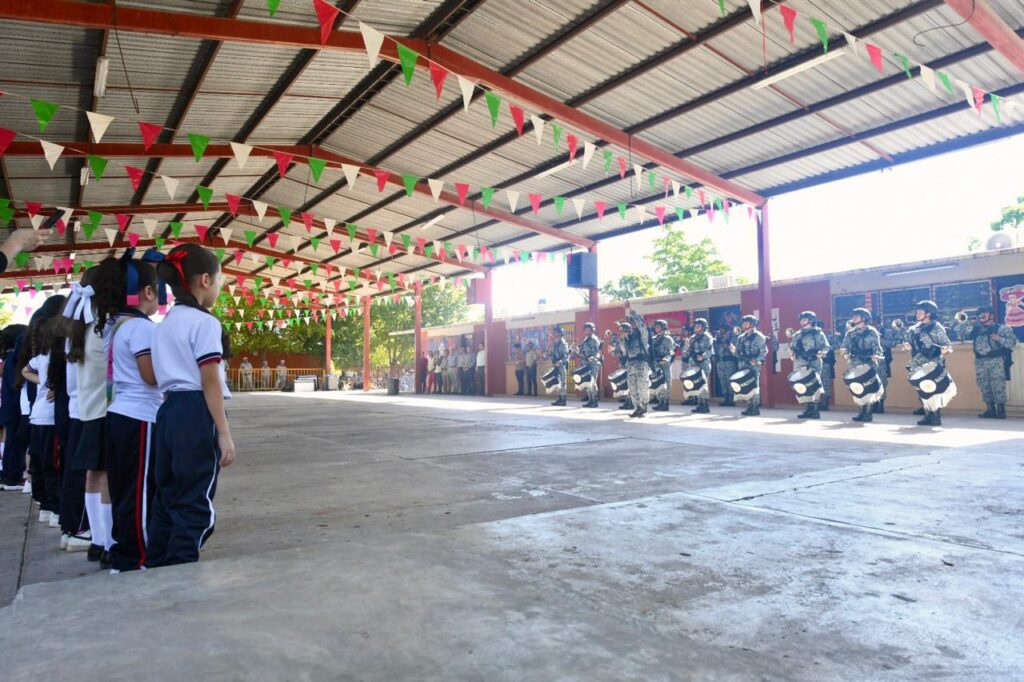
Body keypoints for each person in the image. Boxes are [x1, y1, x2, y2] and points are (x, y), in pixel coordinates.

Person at [148, 244, 235, 567]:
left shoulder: (165, 324)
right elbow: (209, 379)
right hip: (195, 411)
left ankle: (156, 566)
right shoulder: (205, 323)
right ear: (204, 281)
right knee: (195, 500)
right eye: (220, 279)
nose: (221, 286)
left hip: (168, 412)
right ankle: (180, 569)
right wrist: (223, 432)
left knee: (167, 496)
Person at [89, 251, 164, 573]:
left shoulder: (115, 325)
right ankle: (137, 558)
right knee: (139, 492)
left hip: (120, 413)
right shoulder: (142, 329)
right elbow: (151, 376)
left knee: (124, 488)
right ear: (148, 292)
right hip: (140, 417)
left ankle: (124, 551)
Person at [21, 299, 67, 525]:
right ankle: (55, 509)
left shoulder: (40, 358)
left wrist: (42, 382)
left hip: (36, 416)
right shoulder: (58, 356)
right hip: (50, 418)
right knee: (53, 465)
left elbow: (24, 371)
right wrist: (51, 384)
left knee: (40, 464)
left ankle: (45, 505)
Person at [955, 306, 1017, 419]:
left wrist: (999, 339)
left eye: (984, 313)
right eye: (980, 314)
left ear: (991, 315)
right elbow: (958, 331)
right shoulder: (976, 329)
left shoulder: (1001, 328)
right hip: (980, 361)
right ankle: (990, 410)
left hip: (996, 361)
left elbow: (1012, 343)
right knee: (984, 385)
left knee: (997, 385)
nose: (981, 315)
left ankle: (1001, 411)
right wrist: (967, 321)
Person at [903, 300, 953, 426]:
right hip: (917, 365)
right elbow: (907, 344)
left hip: (933, 365)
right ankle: (927, 415)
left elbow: (946, 345)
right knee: (922, 392)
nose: (917, 313)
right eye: (917, 311)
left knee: (934, 391)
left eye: (920, 311)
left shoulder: (937, 328)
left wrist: (945, 350)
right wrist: (906, 346)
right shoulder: (913, 329)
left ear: (929, 313)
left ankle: (935, 417)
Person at [841, 308, 885, 423]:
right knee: (858, 388)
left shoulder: (872, 332)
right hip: (855, 362)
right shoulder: (851, 333)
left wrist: (876, 356)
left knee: (868, 388)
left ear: (864, 318)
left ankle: (868, 413)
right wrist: (845, 352)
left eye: (857, 316)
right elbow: (845, 346)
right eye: (854, 316)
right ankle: (861, 411)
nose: (854, 318)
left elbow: (877, 348)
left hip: (869, 363)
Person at [0, 324, 28, 491]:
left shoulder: (8, 360)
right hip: (13, 407)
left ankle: (9, 475)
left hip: (9, 406)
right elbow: (14, 385)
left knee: (11, 440)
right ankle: (13, 476)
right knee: (14, 441)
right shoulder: (13, 360)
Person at [789, 311, 829, 420]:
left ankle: (815, 410)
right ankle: (808, 409)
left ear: (811, 320)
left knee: (813, 385)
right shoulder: (797, 334)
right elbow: (792, 347)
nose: (802, 321)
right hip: (801, 361)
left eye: (804, 319)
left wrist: (821, 353)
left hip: (814, 361)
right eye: (801, 319)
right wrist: (792, 353)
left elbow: (825, 346)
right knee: (803, 385)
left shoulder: (818, 333)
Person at [734, 315, 767, 416]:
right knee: (746, 385)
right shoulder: (741, 337)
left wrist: (756, 360)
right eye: (743, 322)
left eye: (746, 323)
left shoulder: (759, 337)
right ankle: (749, 406)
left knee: (753, 385)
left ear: (752, 324)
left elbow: (764, 352)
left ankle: (755, 407)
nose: (744, 324)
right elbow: (737, 351)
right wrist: (734, 351)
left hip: (753, 364)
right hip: (743, 363)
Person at [622, 302, 651, 418]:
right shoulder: (630, 335)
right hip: (631, 364)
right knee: (632, 387)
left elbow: (640, 323)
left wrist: (630, 310)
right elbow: (625, 351)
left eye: (634, 321)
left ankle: (644, 407)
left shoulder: (642, 332)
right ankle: (637, 407)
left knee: (643, 386)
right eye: (631, 322)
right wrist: (622, 340)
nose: (633, 323)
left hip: (641, 363)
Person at [682, 318, 714, 414]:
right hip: (694, 362)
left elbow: (710, 351)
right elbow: (688, 350)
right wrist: (686, 352)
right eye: (695, 326)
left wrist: (703, 356)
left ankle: (705, 405)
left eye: (698, 326)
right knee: (697, 384)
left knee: (703, 384)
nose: (696, 328)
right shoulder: (692, 338)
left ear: (704, 327)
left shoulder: (708, 337)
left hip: (703, 362)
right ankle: (700, 404)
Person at [649, 320, 675, 412]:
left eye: (658, 327)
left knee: (666, 382)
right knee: (658, 382)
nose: (656, 328)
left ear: (663, 327)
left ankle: (665, 403)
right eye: (655, 327)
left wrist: (666, 359)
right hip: (656, 364)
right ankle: (660, 402)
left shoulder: (668, 339)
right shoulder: (654, 338)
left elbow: (671, 351)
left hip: (664, 364)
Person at [578, 323, 603, 408]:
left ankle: (594, 401)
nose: (586, 330)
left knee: (592, 381)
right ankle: (590, 400)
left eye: (588, 329)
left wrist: (590, 357)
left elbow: (596, 351)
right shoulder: (586, 339)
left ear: (592, 329)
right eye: (585, 329)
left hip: (593, 363)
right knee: (587, 382)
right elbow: (582, 350)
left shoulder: (593, 339)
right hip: (585, 363)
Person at [714, 324, 738, 407]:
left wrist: (728, 347)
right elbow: (715, 349)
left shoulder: (732, 337)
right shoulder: (718, 338)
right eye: (720, 329)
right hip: (720, 362)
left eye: (722, 329)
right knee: (722, 381)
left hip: (729, 362)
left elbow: (736, 350)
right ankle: (725, 398)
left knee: (730, 381)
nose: (720, 330)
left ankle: (732, 400)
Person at [549, 328, 569, 406]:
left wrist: (560, 362)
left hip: (561, 365)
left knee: (563, 382)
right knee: (558, 382)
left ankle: (563, 399)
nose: (554, 333)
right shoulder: (555, 342)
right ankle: (560, 398)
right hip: (556, 364)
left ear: (560, 333)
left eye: (556, 332)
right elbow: (552, 353)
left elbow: (565, 355)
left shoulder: (563, 343)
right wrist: (552, 359)